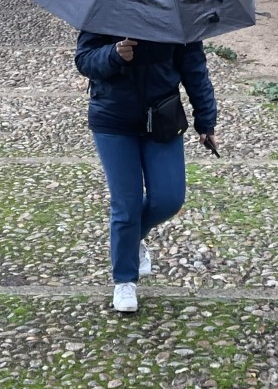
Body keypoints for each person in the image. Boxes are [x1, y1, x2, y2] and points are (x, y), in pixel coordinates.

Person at [74, 32, 217, 313]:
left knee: (168, 199)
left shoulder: (175, 17)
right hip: (112, 118)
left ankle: (130, 239)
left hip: (162, 116)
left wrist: (206, 120)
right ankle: (124, 280)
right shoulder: (104, 10)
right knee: (125, 205)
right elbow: (84, 61)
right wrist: (113, 54)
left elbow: (195, 69)